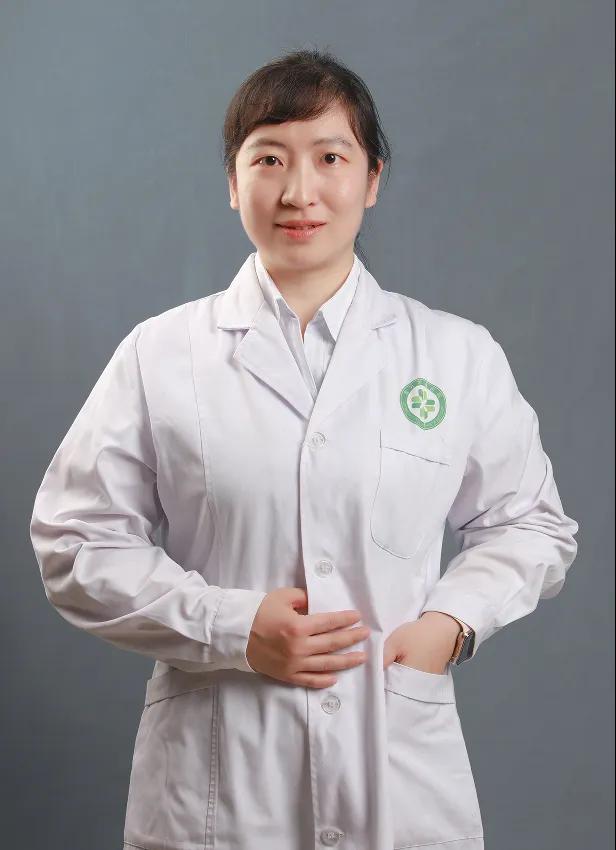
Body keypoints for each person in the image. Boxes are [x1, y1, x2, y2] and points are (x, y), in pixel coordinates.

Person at [29, 48, 579, 850]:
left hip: (396, 764)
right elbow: (75, 541)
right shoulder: (161, 354)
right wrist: (230, 626)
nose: (299, 191)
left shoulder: (455, 355)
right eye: (269, 159)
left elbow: (531, 524)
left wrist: (452, 623)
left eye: (330, 157)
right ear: (232, 182)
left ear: (373, 179)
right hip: (217, 781)